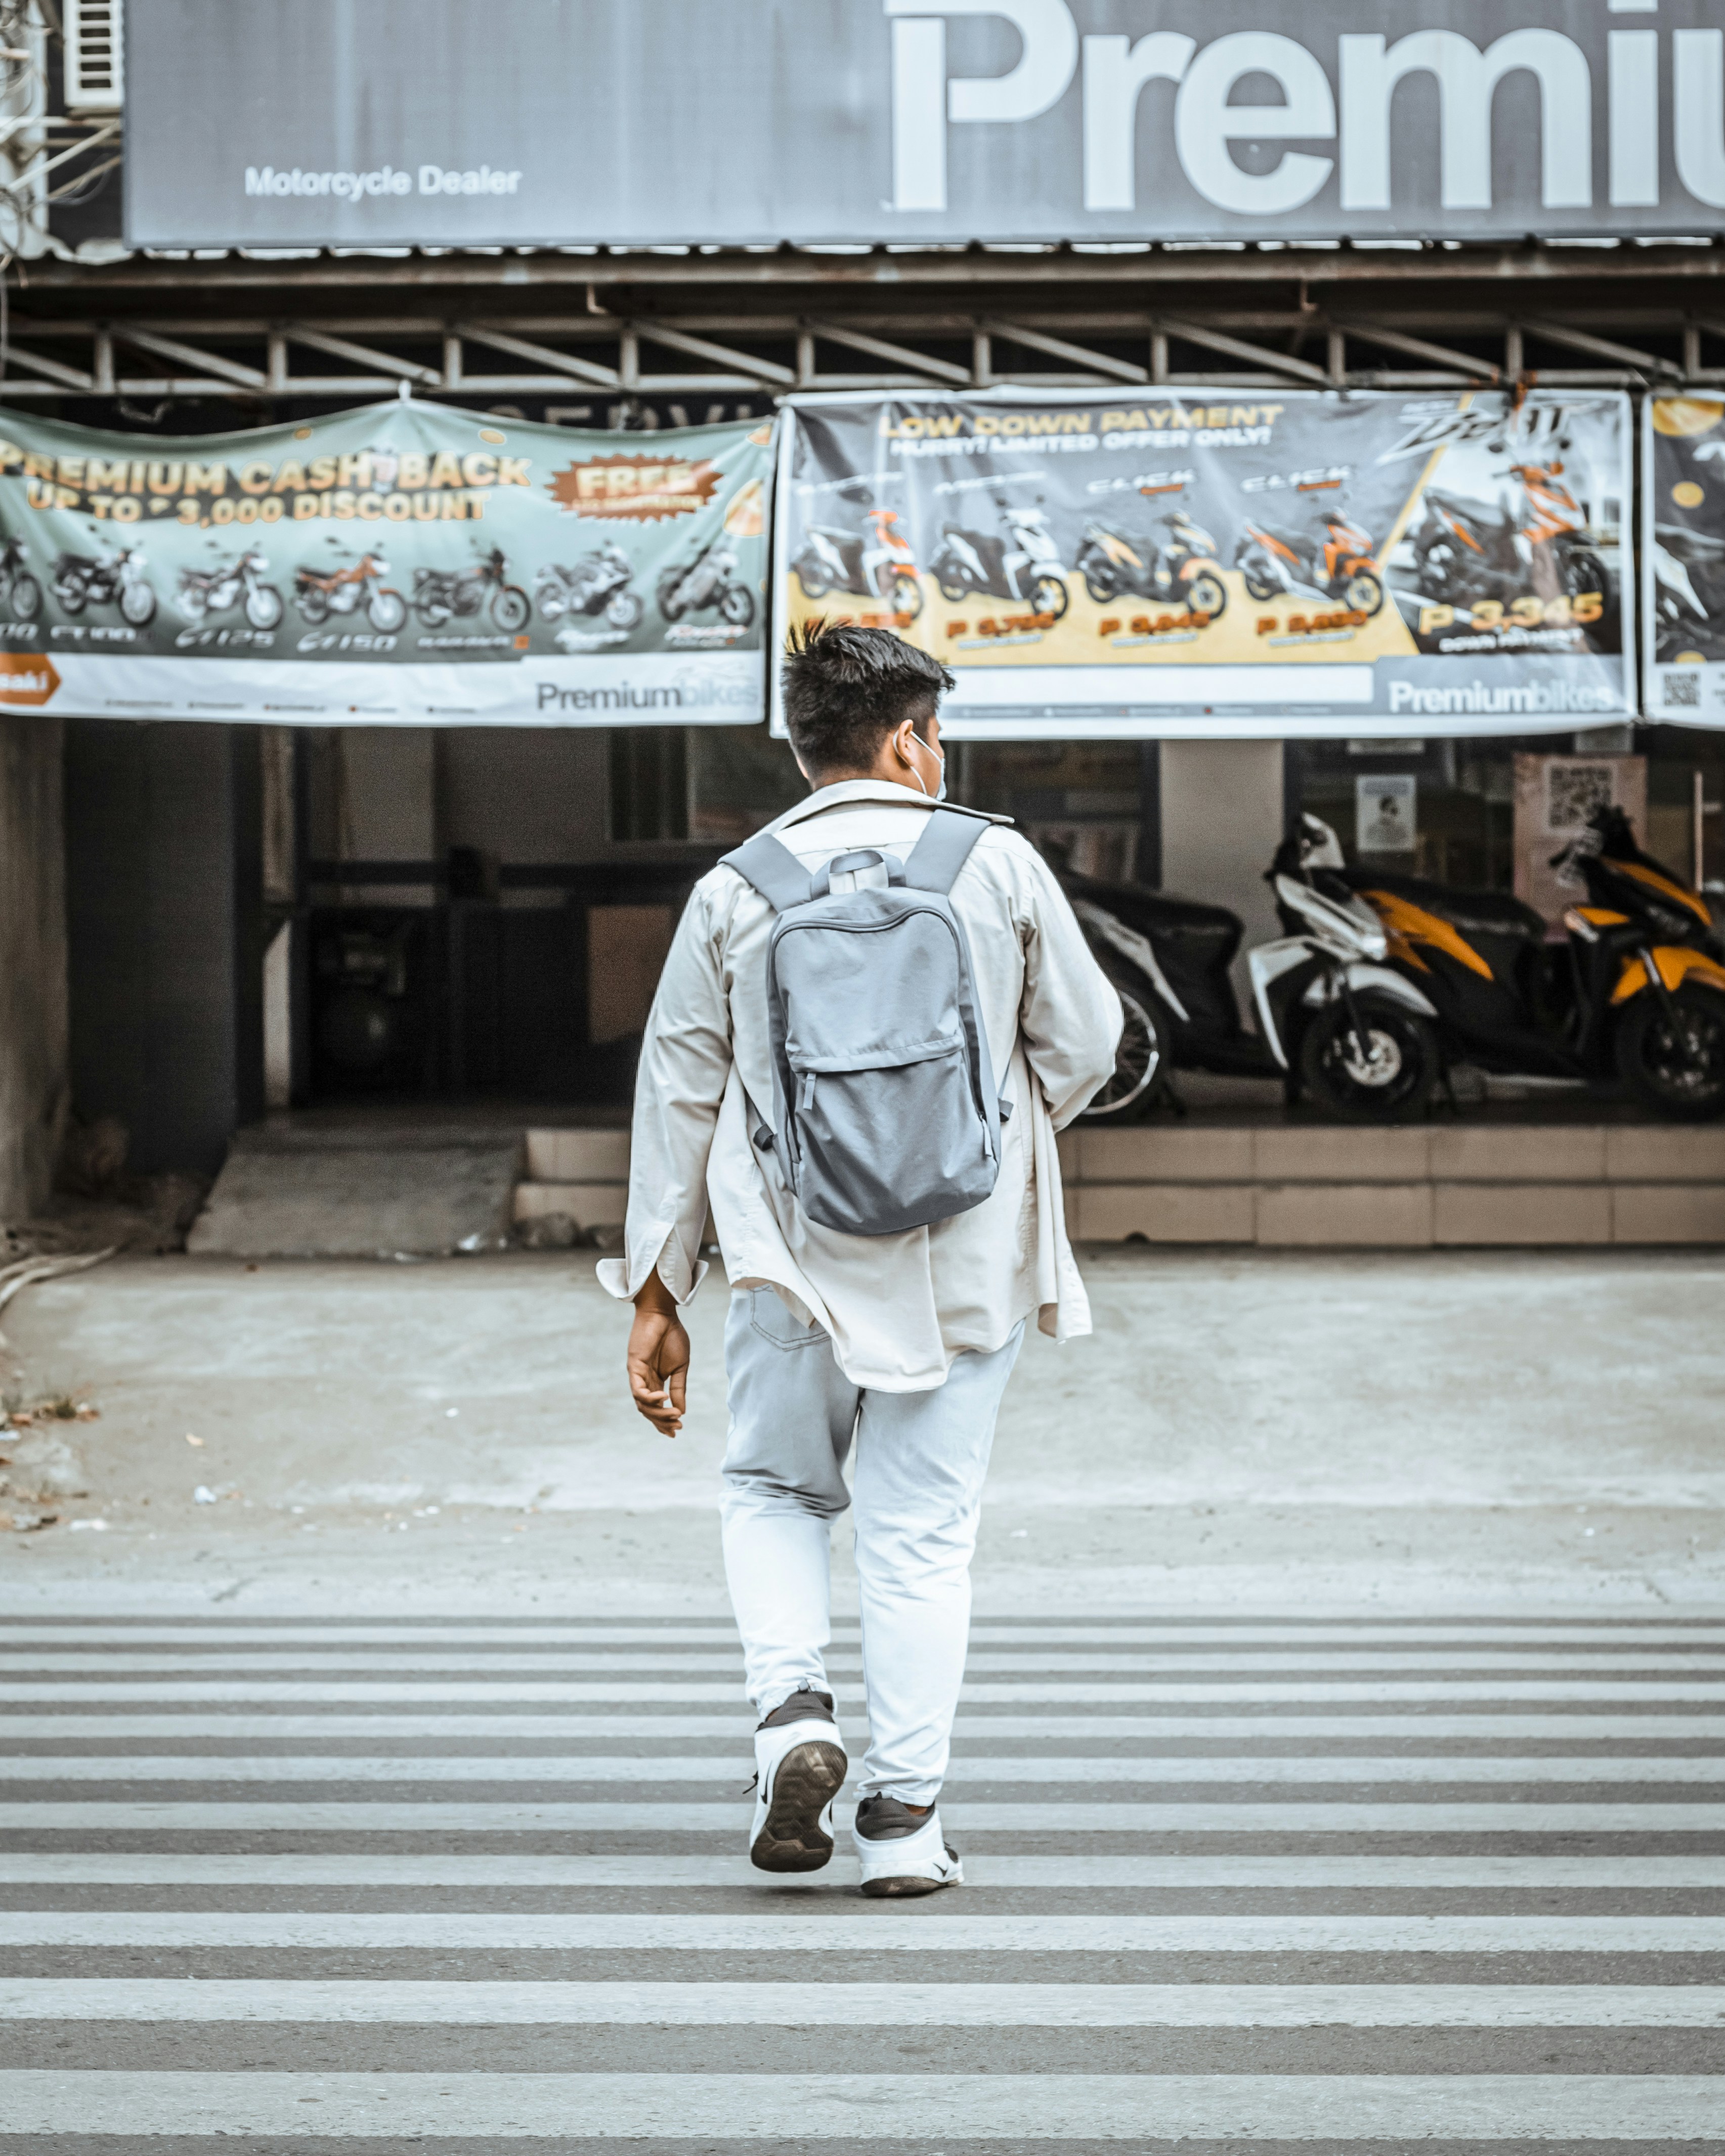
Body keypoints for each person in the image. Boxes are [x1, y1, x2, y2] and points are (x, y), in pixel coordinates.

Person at [599, 622, 1122, 1896]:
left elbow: (676, 1090)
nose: (938, 755)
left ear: (802, 747)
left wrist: (657, 1290)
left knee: (776, 1490)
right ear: (906, 737)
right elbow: (1089, 1042)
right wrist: (987, 1129)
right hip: (964, 1255)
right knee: (920, 1532)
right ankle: (903, 1823)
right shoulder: (992, 863)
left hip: (789, 1252)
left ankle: (794, 1719)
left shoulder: (737, 886)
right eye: (933, 733)